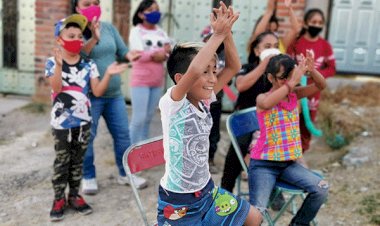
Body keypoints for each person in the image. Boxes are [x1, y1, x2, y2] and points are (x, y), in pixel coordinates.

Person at [156, 3, 261, 225]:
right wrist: (217, 35)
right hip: (179, 201)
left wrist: (228, 34)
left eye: (214, 71)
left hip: (207, 191)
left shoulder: (205, 100)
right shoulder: (172, 103)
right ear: (179, 79)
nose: (213, 78)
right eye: (207, 72)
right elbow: (194, 69)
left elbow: (233, 67)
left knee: (254, 218)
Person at [46, 14, 129, 221]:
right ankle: (58, 198)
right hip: (61, 124)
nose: (77, 39)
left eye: (79, 36)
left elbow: (98, 91)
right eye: (71, 35)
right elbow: (56, 88)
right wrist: (58, 65)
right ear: (59, 39)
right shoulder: (52, 62)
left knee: (77, 161)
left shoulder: (88, 64)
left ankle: (74, 196)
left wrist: (109, 73)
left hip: (84, 122)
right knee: (62, 162)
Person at [71, 0, 147, 194]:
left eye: (95, 2)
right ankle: (88, 177)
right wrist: (94, 38)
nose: (92, 6)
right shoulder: (73, 30)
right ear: (78, 8)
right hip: (89, 96)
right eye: (86, 4)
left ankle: (126, 174)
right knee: (87, 138)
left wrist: (131, 55)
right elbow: (76, 57)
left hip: (114, 95)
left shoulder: (109, 28)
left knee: (122, 135)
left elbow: (122, 52)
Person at [249, 52, 329, 226]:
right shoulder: (262, 98)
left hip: (288, 164)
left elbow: (321, 85)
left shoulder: (294, 94)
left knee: (321, 189)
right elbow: (268, 103)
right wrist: (292, 81)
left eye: (290, 77)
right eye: (282, 78)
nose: (287, 82)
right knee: (257, 214)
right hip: (263, 165)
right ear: (270, 77)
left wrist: (311, 70)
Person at [221, 31, 278, 193]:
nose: (272, 50)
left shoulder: (280, 72)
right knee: (240, 144)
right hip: (246, 120)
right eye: (267, 47)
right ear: (257, 51)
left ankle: (273, 190)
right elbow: (241, 85)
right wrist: (263, 66)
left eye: (275, 47)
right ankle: (226, 190)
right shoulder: (246, 68)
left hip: (270, 121)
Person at [287, 8, 336, 164]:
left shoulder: (325, 45)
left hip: (313, 93)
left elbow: (332, 68)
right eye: (313, 22)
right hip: (295, 91)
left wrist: (315, 73)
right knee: (291, 124)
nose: (317, 25)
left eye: (320, 23)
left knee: (306, 128)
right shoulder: (297, 42)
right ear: (306, 23)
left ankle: (300, 157)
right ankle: (288, 156)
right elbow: (286, 62)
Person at [128, 0, 171, 145]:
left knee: (148, 118)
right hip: (141, 81)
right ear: (141, 14)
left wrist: (161, 54)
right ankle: (131, 155)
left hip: (157, 81)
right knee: (138, 119)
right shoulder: (136, 31)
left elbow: (168, 52)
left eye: (157, 9)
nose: (155, 12)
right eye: (151, 9)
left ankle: (142, 152)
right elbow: (137, 54)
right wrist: (158, 54)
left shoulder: (161, 32)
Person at [200, 25, 226, 174]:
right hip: (200, 101)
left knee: (214, 132)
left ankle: (210, 159)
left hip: (215, 100)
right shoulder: (198, 56)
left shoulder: (223, 55)